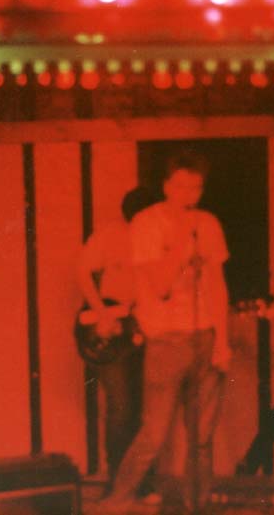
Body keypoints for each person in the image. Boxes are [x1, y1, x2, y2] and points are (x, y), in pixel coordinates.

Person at [93, 150, 231, 514]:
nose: (189, 195)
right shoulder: (146, 224)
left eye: (196, 188)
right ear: (168, 186)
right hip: (166, 341)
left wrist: (223, 341)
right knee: (154, 433)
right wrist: (183, 243)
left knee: (201, 437)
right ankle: (117, 500)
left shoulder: (210, 224)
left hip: (204, 336)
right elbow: (161, 286)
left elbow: (217, 285)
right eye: (182, 187)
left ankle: (195, 506)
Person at [77, 186, 157, 500]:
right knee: (121, 407)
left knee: (148, 410)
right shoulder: (111, 235)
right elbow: (83, 271)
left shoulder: (161, 239)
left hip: (147, 330)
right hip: (113, 332)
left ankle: (142, 483)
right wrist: (101, 313)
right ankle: (118, 482)